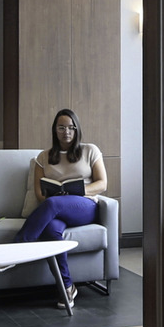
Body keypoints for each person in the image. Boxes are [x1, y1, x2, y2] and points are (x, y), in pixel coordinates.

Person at [19, 108, 107, 300]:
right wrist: (58, 196)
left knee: (53, 204)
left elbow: (102, 183)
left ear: (76, 130)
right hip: (56, 209)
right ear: (55, 130)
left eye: (71, 127)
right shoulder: (43, 157)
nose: (66, 132)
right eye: (61, 127)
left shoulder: (90, 150)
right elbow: (40, 193)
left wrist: (77, 191)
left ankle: (19, 246)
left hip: (85, 206)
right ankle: (67, 287)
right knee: (50, 229)